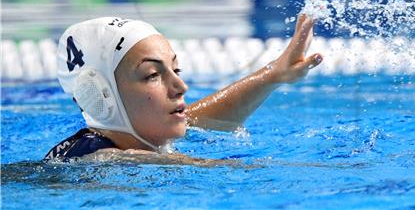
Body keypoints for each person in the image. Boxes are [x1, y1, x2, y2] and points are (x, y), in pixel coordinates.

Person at [44, 11, 322, 163]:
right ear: (100, 96)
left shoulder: (139, 134)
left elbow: (201, 116)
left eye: (175, 70)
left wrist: (274, 74)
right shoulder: (96, 159)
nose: (181, 86)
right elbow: (142, 162)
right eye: (153, 74)